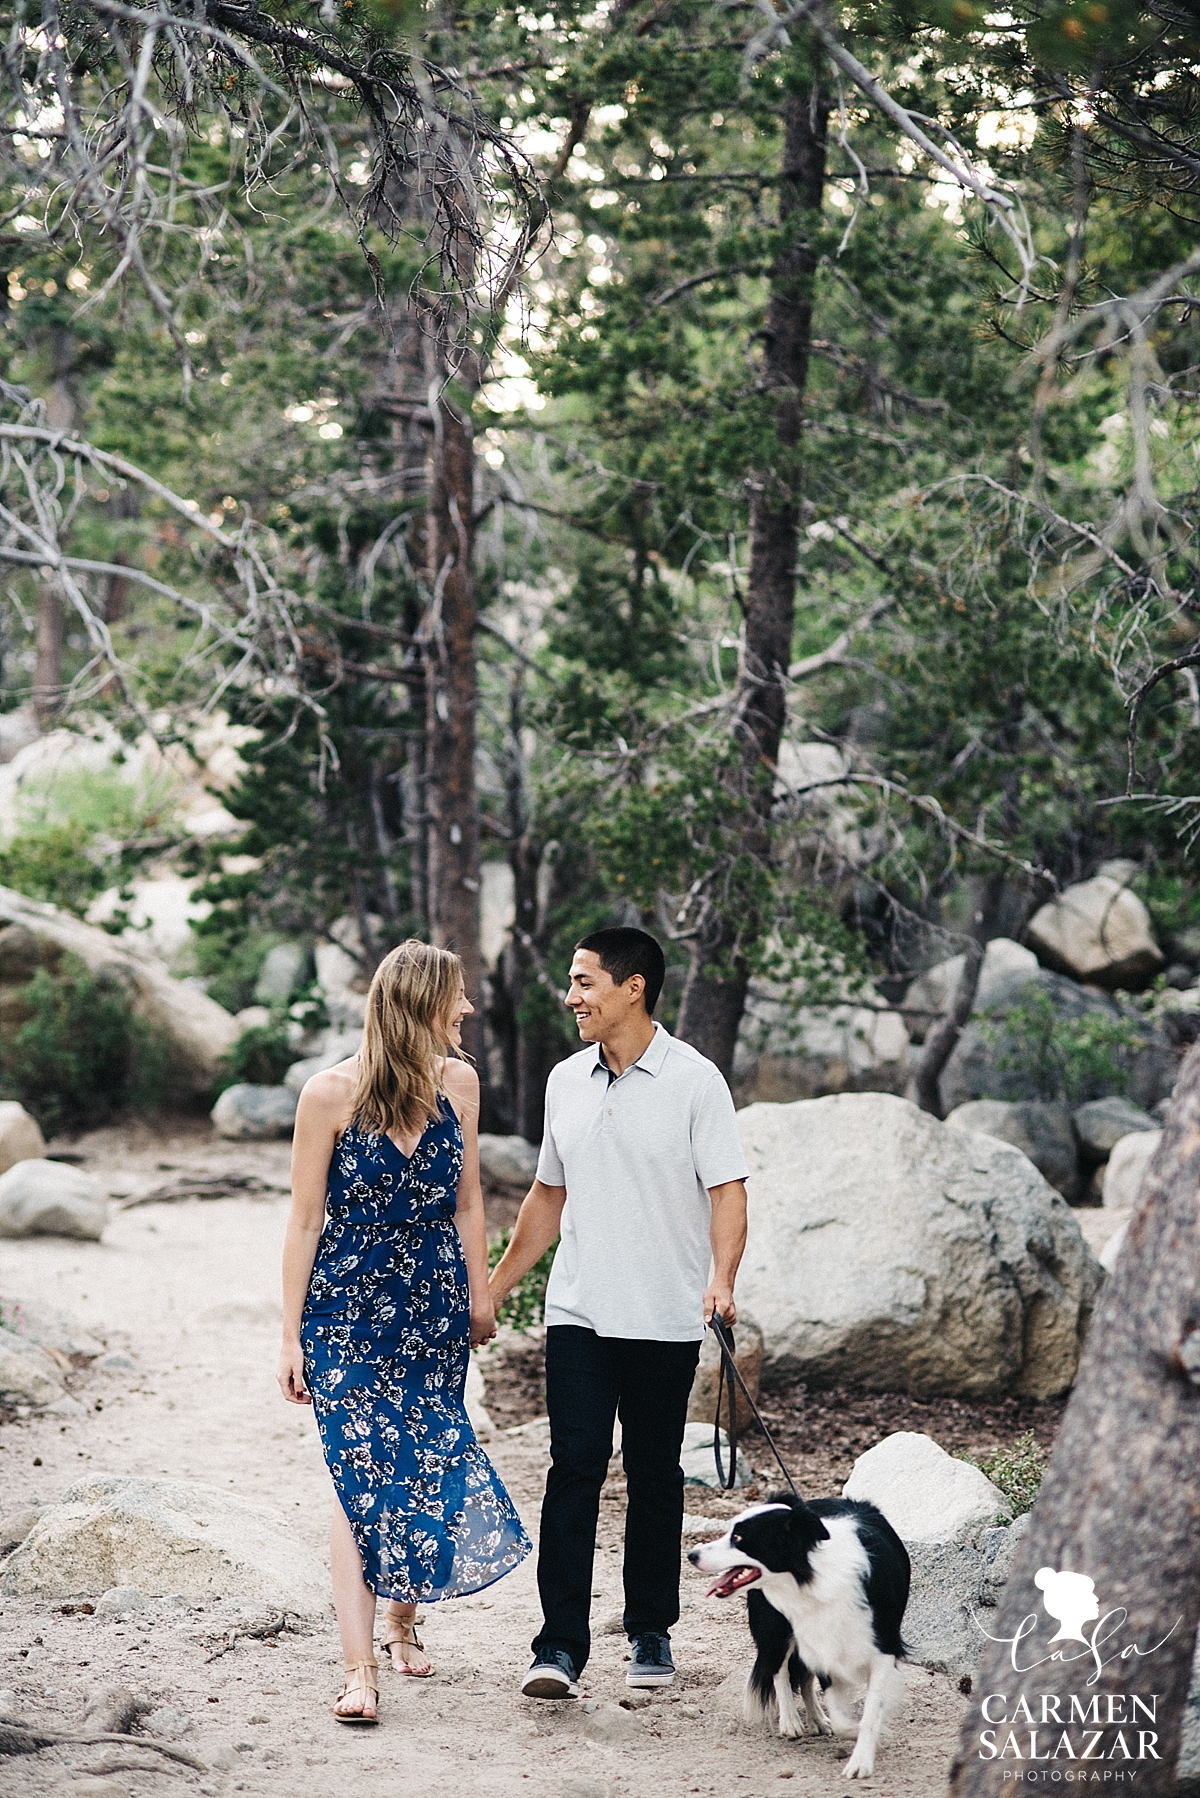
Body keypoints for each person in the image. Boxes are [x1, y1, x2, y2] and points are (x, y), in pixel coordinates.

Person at [489, 925, 749, 1699]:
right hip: (579, 1314)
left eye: (584, 983)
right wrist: (496, 1289)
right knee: (572, 1470)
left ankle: (650, 1632)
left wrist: (722, 1279)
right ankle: (560, 1647)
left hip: (666, 1317)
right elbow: (546, 1193)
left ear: (632, 987)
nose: (571, 998)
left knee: (653, 1475)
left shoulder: (696, 1081)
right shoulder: (566, 1080)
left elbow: (728, 1190)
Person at [277, 940, 531, 1724]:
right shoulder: (328, 1094)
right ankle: (359, 1672)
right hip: (346, 1315)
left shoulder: (459, 1082)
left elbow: (466, 1203)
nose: (467, 1010)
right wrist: (289, 1338)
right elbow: (305, 1218)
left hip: (431, 1312)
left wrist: (480, 1294)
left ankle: (402, 1619)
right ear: (419, 1003)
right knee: (359, 1482)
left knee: (427, 1468)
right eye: (456, 996)